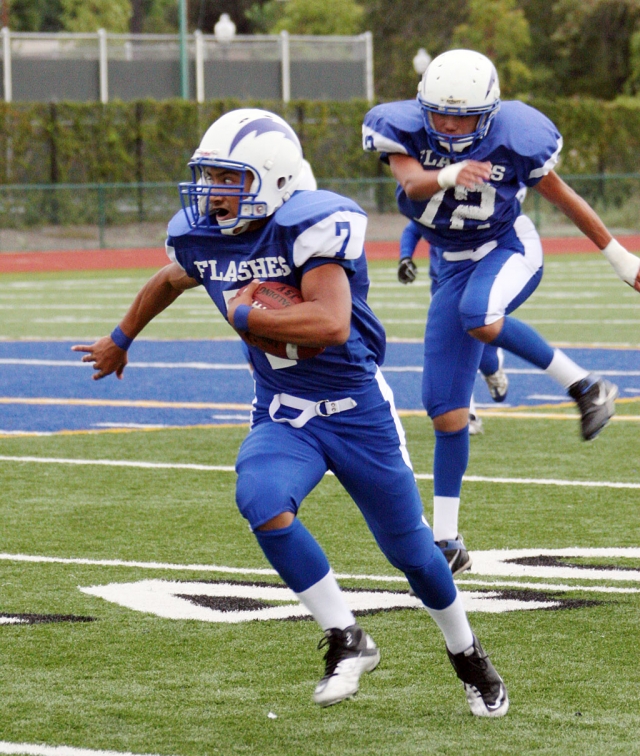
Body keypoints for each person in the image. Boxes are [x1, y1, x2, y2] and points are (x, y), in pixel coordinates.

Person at [72, 108, 509, 717]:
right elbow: (170, 280)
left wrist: (251, 319)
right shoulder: (208, 236)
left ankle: (465, 651)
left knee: (411, 552)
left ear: (274, 181)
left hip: (355, 410)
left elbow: (330, 323)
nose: (212, 194)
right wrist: (122, 337)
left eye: (228, 179)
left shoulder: (310, 225)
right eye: (209, 177)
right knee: (261, 499)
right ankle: (347, 636)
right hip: (282, 409)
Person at [363, 49, 640, 576]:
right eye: (438, 112)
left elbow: (564, 198)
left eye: (461, 115)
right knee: (444, 411)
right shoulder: (399, 129)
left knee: (479, 315)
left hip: (508, 249)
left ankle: (586, 386)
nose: (447, 124)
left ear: (488, 114)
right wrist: (450, 175)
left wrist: (620, 257)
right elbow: (414, 184)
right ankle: (447, 541)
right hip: (450, 263)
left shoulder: (516, 136)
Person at [399, 218, 509, 437]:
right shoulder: (437, 204)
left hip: (480, 281)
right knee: (452, 354)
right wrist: (405, 257)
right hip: (443, 286)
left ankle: (493, 365)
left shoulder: (481, 203)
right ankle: (468, 414)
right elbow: (413, 228)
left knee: (484, 353)